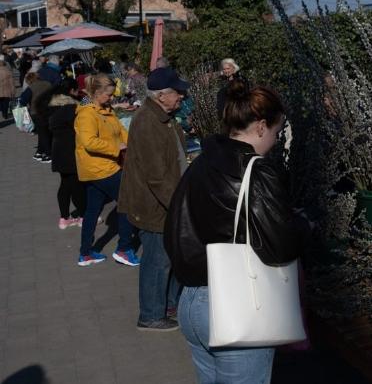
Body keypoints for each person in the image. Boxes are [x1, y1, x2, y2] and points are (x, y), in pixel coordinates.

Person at [165, 83, 303, 384]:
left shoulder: (202, 161)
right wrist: (303, 226)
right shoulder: (257, 170)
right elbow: (281, 246)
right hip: (236, 308)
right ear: (261, 126)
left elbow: (174, 227)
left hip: (190, 301)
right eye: (277, 133)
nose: (276, 141)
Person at [119, 67, 188, 333]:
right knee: (157, 261)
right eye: (176, 92)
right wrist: (179, 205)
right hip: (155, 205)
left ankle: (168, 306)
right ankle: (150, 314)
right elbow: (157, 175)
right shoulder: (148, 121)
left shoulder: (163, 116)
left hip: (165, 201)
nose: (181, 95)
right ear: (161, 95)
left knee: (168, 258)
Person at [74, 74, 138, 267]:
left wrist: (133, 144)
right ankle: (124, 249)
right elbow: (89, 142)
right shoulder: (87, 113)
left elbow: (120, 131)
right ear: (97, 93)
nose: (111, 98)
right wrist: (116, 148)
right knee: (128, 202)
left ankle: (85, 254)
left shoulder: (105, 109)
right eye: (108, 95)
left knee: (92, 210)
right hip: (101, 168)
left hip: (101, 168)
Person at [47, 79, 86, 229]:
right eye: (77, 90)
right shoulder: (71, 107)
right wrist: (87, 94)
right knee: (77, 186)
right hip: (71, 151)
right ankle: (83, 216)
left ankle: (64, 218)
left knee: (65, 184)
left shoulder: (52, 105)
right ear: (71, 91)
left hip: (58, 150)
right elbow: (89, 108)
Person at [28, 73, 54, 163]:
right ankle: (39, 152)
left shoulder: (31, 87)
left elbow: (23, 99)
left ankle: (48, 154)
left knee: (43, 134)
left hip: (36, 112)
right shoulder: (48, 84)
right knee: (46, 132)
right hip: (49, 110)